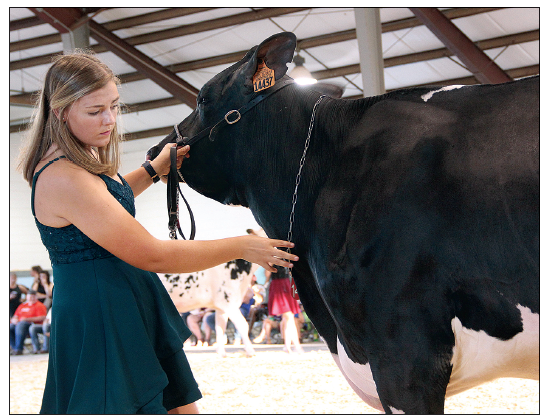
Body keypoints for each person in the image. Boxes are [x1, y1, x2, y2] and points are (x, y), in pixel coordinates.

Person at [17, 51, 298, 415]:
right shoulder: (63, 177)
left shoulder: (77, 161)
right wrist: (242, 245)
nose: (109, 120)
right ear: (60, 112)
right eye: (95, 111)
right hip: (103, 314)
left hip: (121, 302)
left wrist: (152, 171)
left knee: (178, 407)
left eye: (114, 106)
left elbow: (106, 204)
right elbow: (153, 254)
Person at [267, 266, 304, 354]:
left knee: (288, 318)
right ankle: (295, 346)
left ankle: (289, 346)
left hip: (282, 284)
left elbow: (267, 274)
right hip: (282, 285)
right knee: (289, 318)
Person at [10, 290, 48, 355]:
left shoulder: (39, 305)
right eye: (30, 297)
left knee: (21, 324)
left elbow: (42, 317)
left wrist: (26, 319)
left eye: (33, 297)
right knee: (10, 327)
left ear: (36, 297)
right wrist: (14, 320)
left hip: (32, 324)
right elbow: (15, 316)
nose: (31, 298)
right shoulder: (22, 305)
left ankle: (19, 348)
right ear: (27, 297)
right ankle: (15, 348)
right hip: (19, 324)